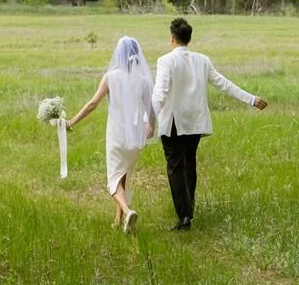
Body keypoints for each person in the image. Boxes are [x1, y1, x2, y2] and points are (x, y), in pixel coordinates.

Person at [151, 17, 268, 231]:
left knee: (175, 167)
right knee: (189, 164)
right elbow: (223, 84)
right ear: (190, 38)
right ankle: (188, 212)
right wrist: (251, 99)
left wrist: (148, 118)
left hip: (174, 123)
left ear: (172, 39)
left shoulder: (165, 61)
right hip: (195, 122)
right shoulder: (202, 60)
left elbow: (160, 93)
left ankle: (184, 215)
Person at [65, 36, 155, 233]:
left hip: (117, 135)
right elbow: (151, 108)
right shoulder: (143, 81)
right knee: (123, 175)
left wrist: (71, 122)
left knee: (113, 180)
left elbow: (92, 104)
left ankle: (127, 210)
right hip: (136, 136)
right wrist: (151, 127)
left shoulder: (111, 77)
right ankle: (118, 219)